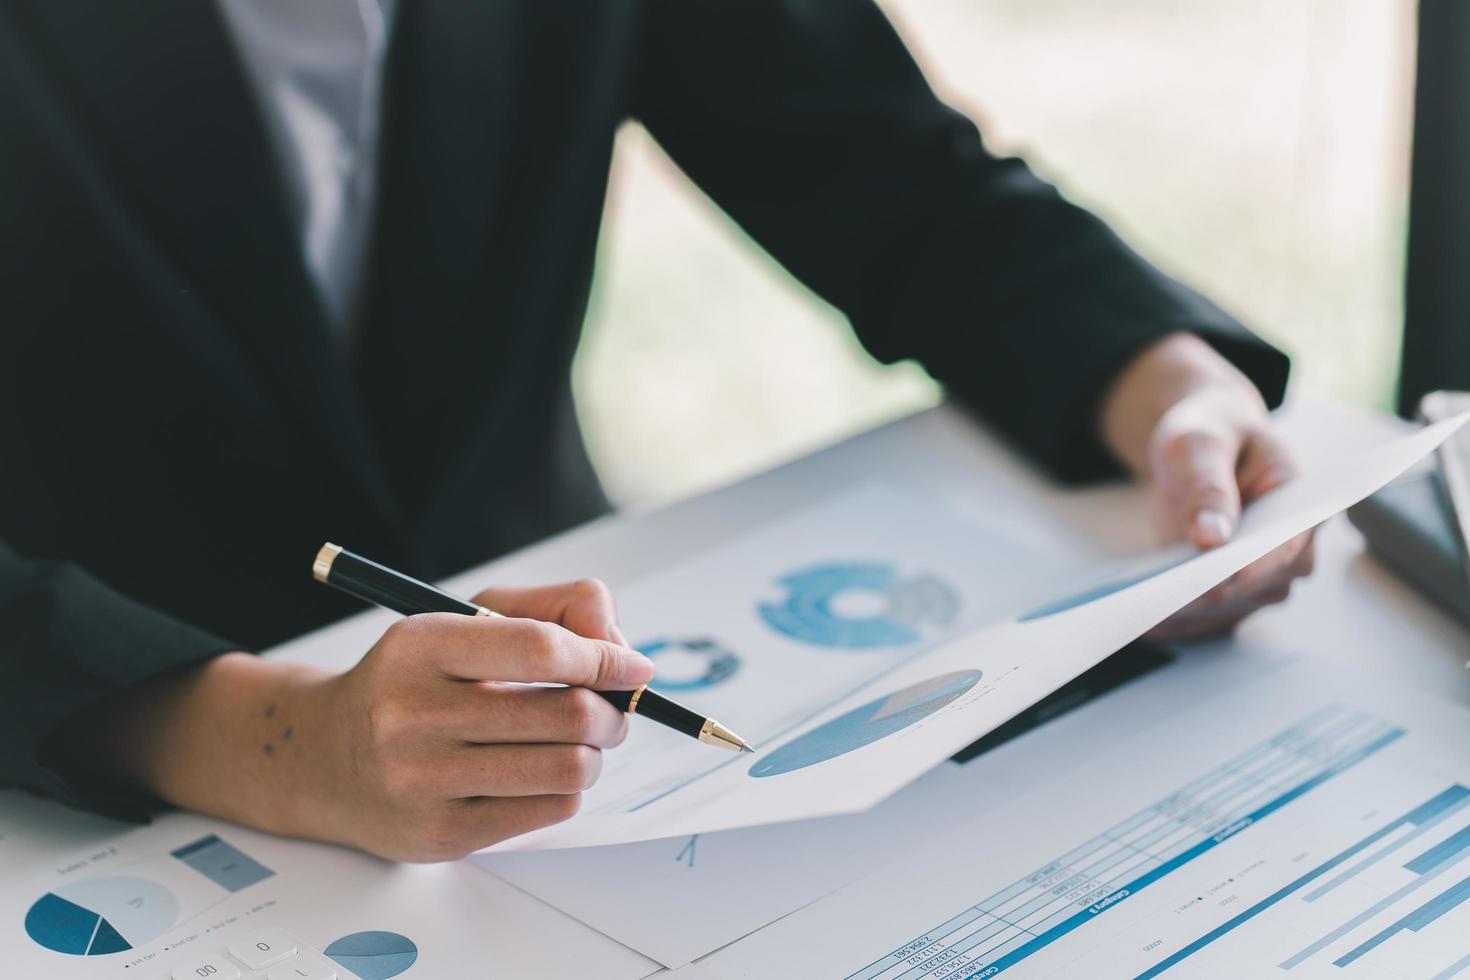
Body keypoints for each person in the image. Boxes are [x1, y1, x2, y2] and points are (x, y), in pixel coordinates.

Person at [0, 0, 1313, 861]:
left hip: (534, 659)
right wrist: (253, 736)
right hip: (64, 741)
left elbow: (884, 167)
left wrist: (1159, 378)